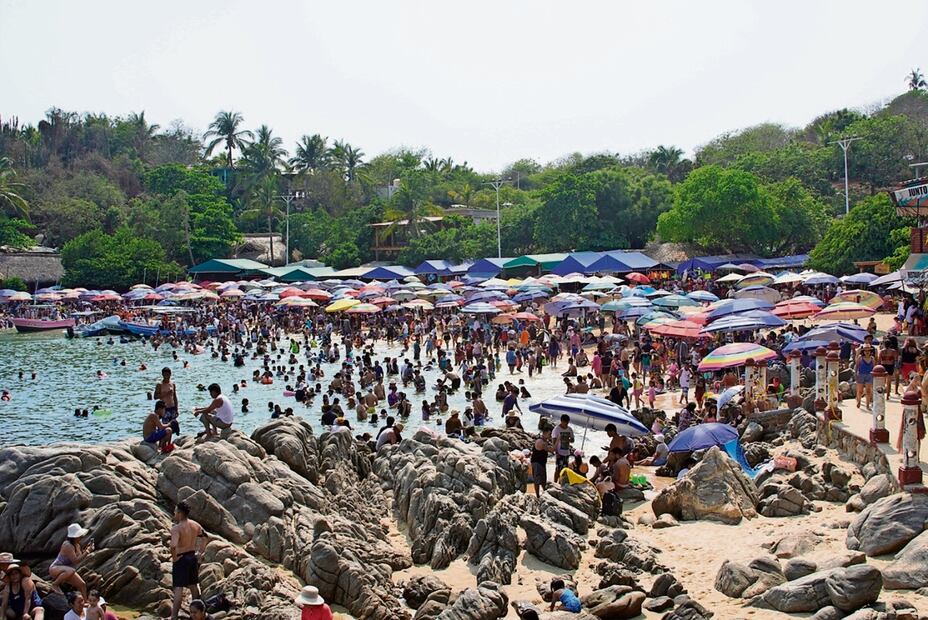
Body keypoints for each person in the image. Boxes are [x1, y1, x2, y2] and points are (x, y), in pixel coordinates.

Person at [170, 501, 207, 620]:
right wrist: (200, 552)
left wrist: (175, 558)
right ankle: (198, 613)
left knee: (179, 588)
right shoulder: (195, 525)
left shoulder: (176, 528)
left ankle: (174, 616)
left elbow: (173, 546)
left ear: (180, 514)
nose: (174, 513)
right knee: (193, 585)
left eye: (175, 511)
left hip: (181, 558)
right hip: (192, 557)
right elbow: (205, 536)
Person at [49, 524, 92, 598]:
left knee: (82, 584)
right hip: (56, 568)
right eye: (79, 535)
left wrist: (86, 550)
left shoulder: (77, 545)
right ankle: (55, 584)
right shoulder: (67, 545)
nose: (81, 537)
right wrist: (87, 552)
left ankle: (85, 601)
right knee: (72, 570)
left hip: (67, 570)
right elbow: (75, 561)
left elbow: (80, 557)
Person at [154, 367, 180, 435]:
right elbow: (155, 397)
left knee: (173, 426)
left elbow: (174, 397)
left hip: (172, 407)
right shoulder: (159, 385)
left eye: (168, 374)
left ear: (170, 374)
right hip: (164, 409)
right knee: (164, 427)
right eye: (165, 374)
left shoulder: (172, 384)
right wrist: (165, 394)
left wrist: (177, 408)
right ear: (162, 374)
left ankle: (169, 442)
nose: (166, 376)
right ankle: (162, 443)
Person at [530, 429, 553, 496]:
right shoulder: (540, 441)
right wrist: (557, 441)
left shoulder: (545, 441)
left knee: (543, 480)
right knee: (537, 480)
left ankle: (544, 492)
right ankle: (537, 495)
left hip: (541, 463)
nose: (550, 436)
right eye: (549, 434)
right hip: (537, 463)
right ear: (544, 433)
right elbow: (551, 449)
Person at [855, 346, 875, 410]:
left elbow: (874, 367)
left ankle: (867, 405)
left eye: (868, 351)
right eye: (865, 351)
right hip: (861, 374)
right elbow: (857, 366)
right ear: (863, 351)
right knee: (860, 391)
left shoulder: (872, 358)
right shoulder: (860, 358)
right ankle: (859, 401)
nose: (867, 352)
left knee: (868, 391)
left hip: (869, 375)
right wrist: (856, 374)